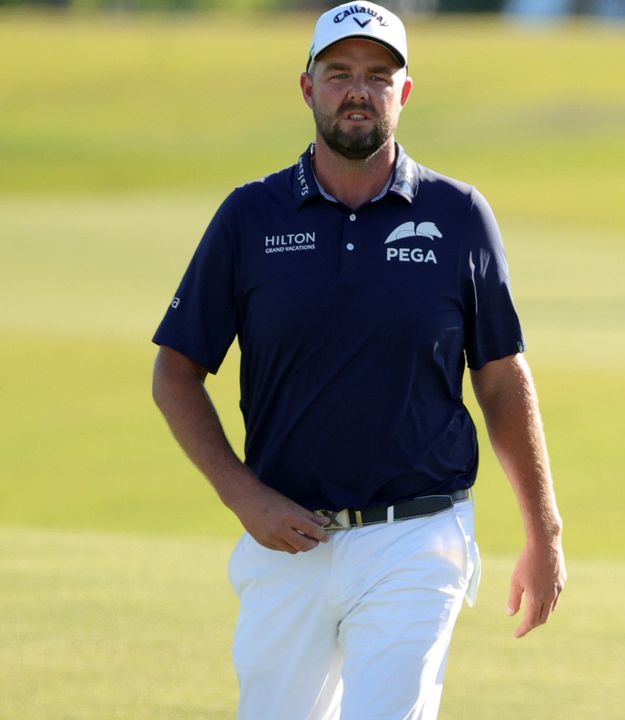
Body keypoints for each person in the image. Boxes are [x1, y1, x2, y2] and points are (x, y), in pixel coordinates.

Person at [150, 3, 566, 718]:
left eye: (379, 76)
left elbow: (502, 380)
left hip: (417, 537)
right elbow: (175, 372)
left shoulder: (459, 214)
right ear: (307, 87)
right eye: (339, 72)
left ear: (403, 94)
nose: (358, 91)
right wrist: (243, 496)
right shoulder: (250, 217)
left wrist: (544, 531)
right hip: (287, 543)